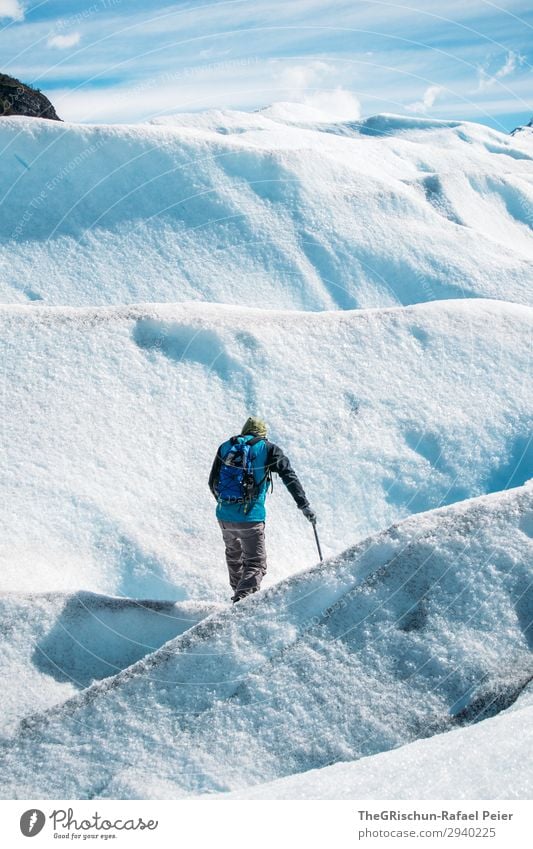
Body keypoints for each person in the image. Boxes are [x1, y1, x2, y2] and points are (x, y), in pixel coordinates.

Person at [209, 416, 316, 602]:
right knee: (255, 563)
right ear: (263, 434)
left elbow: (212, 482)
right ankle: (242, 601)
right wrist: (304, 505)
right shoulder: (268, 448)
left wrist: (227, 504)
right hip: (251, 517)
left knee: (234, 557)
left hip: (224, 517)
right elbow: (288, 475)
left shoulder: (226, 447)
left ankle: (237, 594)